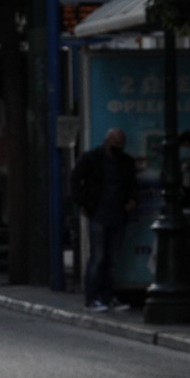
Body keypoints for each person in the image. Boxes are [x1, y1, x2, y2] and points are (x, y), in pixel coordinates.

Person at [70, 127, 137, 312]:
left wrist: (131, 200)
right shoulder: (92, 159)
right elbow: (75, 179)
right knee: (98, 258)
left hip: (118, 214)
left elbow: (132, 184)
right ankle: (92, 297)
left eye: (121, 143)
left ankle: (108, 296)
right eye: (116, 143)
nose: (119, 146)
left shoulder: (125, 162)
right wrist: (83, 203)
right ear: (107, 141)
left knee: (112, 259)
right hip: (99, 213)